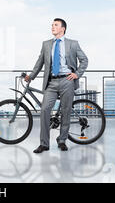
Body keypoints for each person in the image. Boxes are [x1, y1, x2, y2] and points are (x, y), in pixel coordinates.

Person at [25, 18, 88, 153]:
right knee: (44, 110)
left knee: (66, 111)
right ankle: (44, 144)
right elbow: (39, 62)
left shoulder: (73, 44)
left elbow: (84, 60)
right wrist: (31, 76)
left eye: (56, 25)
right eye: (52, 25)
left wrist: (77, 74)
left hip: (67, 81)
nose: (52, 27)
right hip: (51, 82)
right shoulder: (46, 44)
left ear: (63, 28)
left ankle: (62, 140)